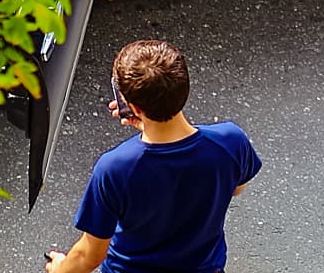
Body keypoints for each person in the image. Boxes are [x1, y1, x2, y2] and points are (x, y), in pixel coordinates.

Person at [45, 39, 261, 273]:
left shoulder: (115, 167)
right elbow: (236, 188)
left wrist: (59, 268)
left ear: (135, 108)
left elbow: (90, 254)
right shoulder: (230, 140)